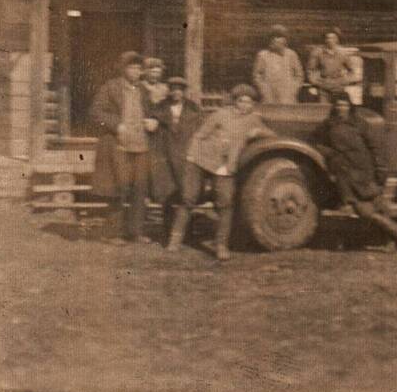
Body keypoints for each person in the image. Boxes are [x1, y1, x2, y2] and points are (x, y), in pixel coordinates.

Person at [167, 84, 274, 261]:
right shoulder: (220, 114)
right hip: (202, 158)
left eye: (249, 102)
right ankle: (175, 240)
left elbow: (271, 135)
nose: (245, 105)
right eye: (241, 101)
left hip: (226, 164)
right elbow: (200, 135)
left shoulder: (254, 119)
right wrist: (192, 157)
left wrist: (259, 132)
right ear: (235, 101)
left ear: (253, 104)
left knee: (225, 202)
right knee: (189, 198)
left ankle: (221, 245)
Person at [310, 94, 397, 255]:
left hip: (364, 168)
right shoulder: (328, 124)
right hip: (345, 171)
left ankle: (391, 239)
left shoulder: (359, 123)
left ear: (350, 106)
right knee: (363, 210)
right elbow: (315, 142)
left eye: (344, 104)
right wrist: (330, 153)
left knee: (378, 204)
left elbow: (374, 146)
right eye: (338, 105)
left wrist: (380, 169)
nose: (341, 108)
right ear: (334, 107)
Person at [89, 51, 160, 244]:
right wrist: (116, 124)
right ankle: (112, 233)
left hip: (140, 146)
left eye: (139, 68)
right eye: (132, 67)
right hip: (118, 146)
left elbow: (153, 112)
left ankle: (135, 232)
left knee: (139, 188)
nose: (137, 71)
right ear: (123, 69)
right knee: (117, 187)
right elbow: (96, 112)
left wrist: (153, 120)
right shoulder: (110, 88)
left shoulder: (143, 91)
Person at [149, 76, 203, 228]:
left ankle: (185, 227)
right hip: (166, 155)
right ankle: (167, 227)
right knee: (167, 191)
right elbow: (152, 126)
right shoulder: (160, 107)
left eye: (179, 90)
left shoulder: (193, 108)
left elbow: (201, 131)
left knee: (186, 191)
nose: (176, 93)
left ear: (184, 92)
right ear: (169, 91)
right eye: (173, 89)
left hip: (186, 155)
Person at [252, 25, 304, 104]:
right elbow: (257, 75)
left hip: (287, 96)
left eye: (279, 37)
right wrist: (264, 90)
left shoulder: (291, 54)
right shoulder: (263, 55)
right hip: (269, 95)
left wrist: (293, 89)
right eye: (273, 37)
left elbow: (299, 75)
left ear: (285, 40)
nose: (275, 40)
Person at [306, 29, 355, 101]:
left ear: (337, 40)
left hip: (338, 87)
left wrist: (344, 81)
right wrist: (316, 82)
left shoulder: (343, 53)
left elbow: (351, 70)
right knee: (323, 109)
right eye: (328, 38)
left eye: (333, 38)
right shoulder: (317, 52)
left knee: (338, 108)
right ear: (325, 40)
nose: (330, 40)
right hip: (323, 86)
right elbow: (310, 70)